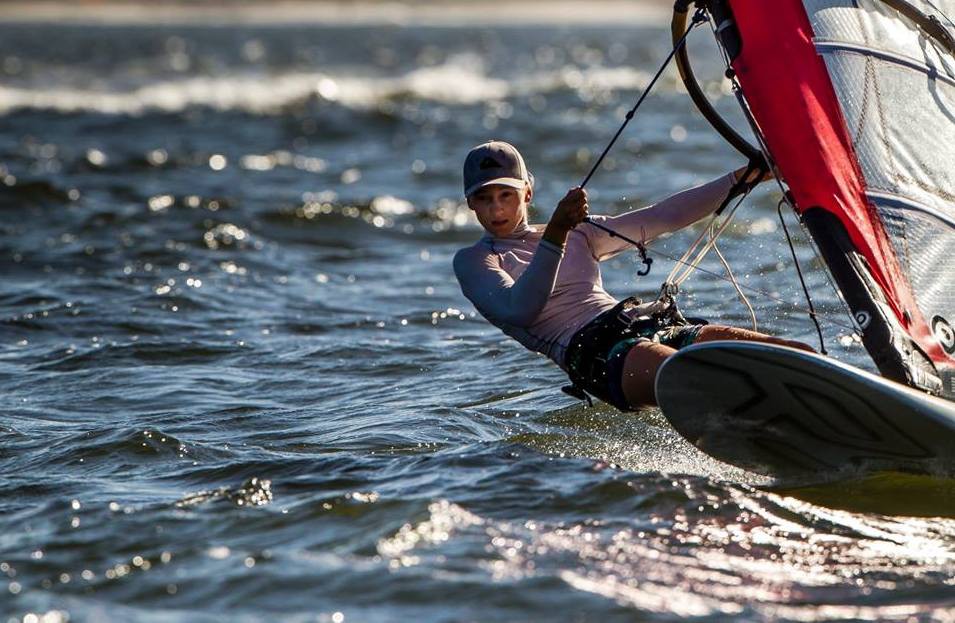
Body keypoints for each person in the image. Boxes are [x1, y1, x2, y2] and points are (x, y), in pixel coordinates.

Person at [453, 140, 811, 409]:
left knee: (793, 355)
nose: (496, 209)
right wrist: (557, 234)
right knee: (703, 379)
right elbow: (520, 309)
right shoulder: (475, 260)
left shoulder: (579, 232)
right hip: (594, 353)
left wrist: (744, 177)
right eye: (484, 198)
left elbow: (664, 216)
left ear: (527, 193)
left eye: (506, 194)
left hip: (642, 323)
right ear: (470, 203)